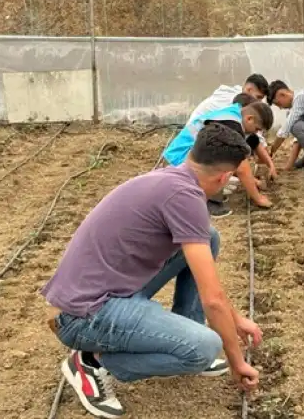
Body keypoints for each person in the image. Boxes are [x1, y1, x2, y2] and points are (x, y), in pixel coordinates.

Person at [42, 124, 263, 419]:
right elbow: (213, 299)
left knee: (208, 237)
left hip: (98, 292)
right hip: (86, 314)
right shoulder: (185, 198)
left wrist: (235, 319)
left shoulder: (171, 178)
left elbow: (210, 287)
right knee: (204, 347)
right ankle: (92, 362)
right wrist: (237, 362)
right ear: (224, 176)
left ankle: (187, 325)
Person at [164, 95, 274, 216]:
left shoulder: (236, 112)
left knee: (229, 162)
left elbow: (254, 141)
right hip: (181, 158)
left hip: (186, 153)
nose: (256, 132)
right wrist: (258, 198)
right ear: (249, 119)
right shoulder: (232, 125)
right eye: (257, 128)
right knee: (227, 167)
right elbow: (242, 168)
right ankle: (209, 201)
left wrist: (269, 167)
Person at [187, 74, 277, 182]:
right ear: (248, 89)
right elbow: (240, 162)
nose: (259, 102)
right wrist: (255, 187)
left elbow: (255, 139)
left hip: (208, 137)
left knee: (249, 141)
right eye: (258, 97)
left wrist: (270, 165)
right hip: (192, 147)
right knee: (231, 173)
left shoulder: (242, 103)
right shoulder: (231, 113)